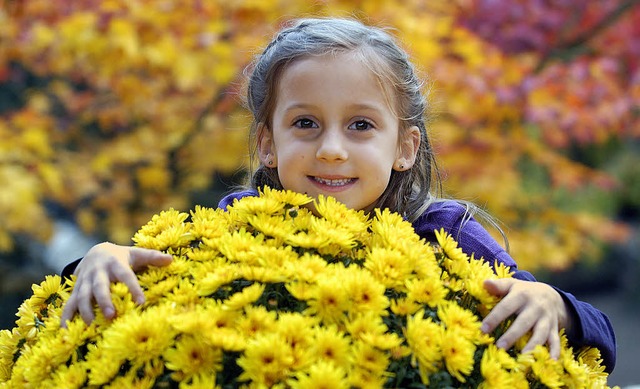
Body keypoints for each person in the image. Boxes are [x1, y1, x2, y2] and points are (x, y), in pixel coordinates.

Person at [60, 17, 616, 372]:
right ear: (267, 142)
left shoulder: (447, 234)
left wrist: (555, 305)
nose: (330, 150)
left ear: (404, 147)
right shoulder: (232, 226)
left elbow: (603, 339)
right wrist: (99, 258)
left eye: (360, 126)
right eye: (304, 123)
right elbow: (134, 281)